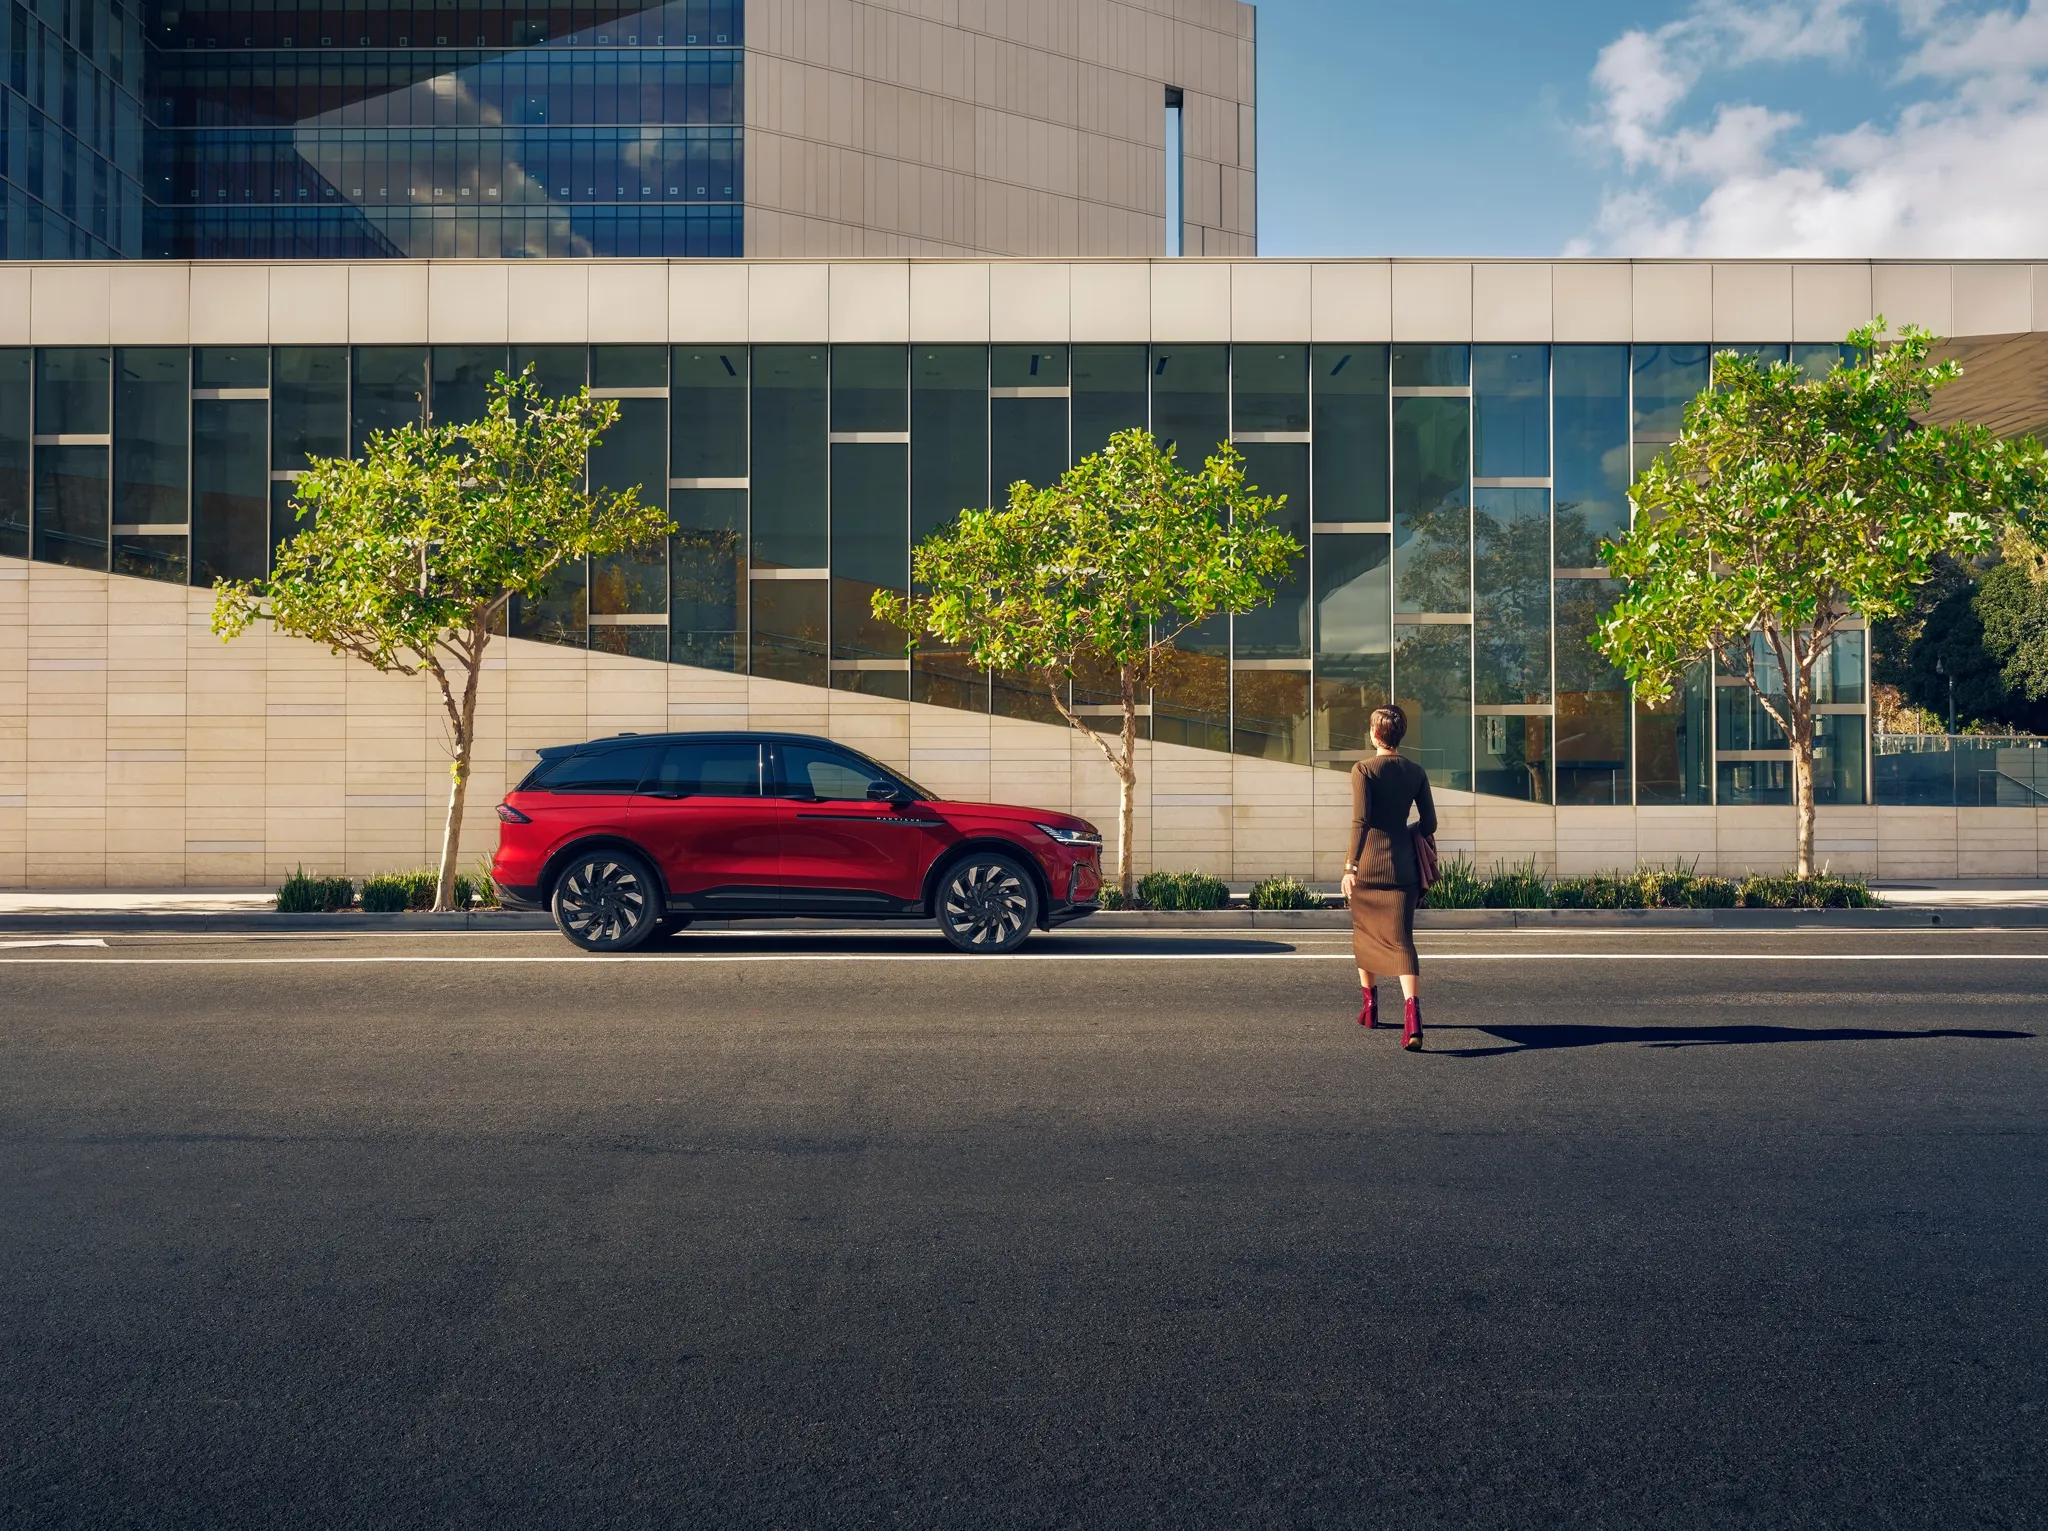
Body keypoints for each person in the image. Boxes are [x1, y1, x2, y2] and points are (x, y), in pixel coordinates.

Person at [1339, 704, 1437, 1051]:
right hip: (1403, 869)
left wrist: (1350, 866)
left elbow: (1360, 821)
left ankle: (1371, 1008)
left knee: (1365, 936)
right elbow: (1429, 825)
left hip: (1368, 868)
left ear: (1375, 734)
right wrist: (1405, 829)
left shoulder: (1363, 769)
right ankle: (1413, 1019)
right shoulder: (1416, 771)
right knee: (1402, 941)